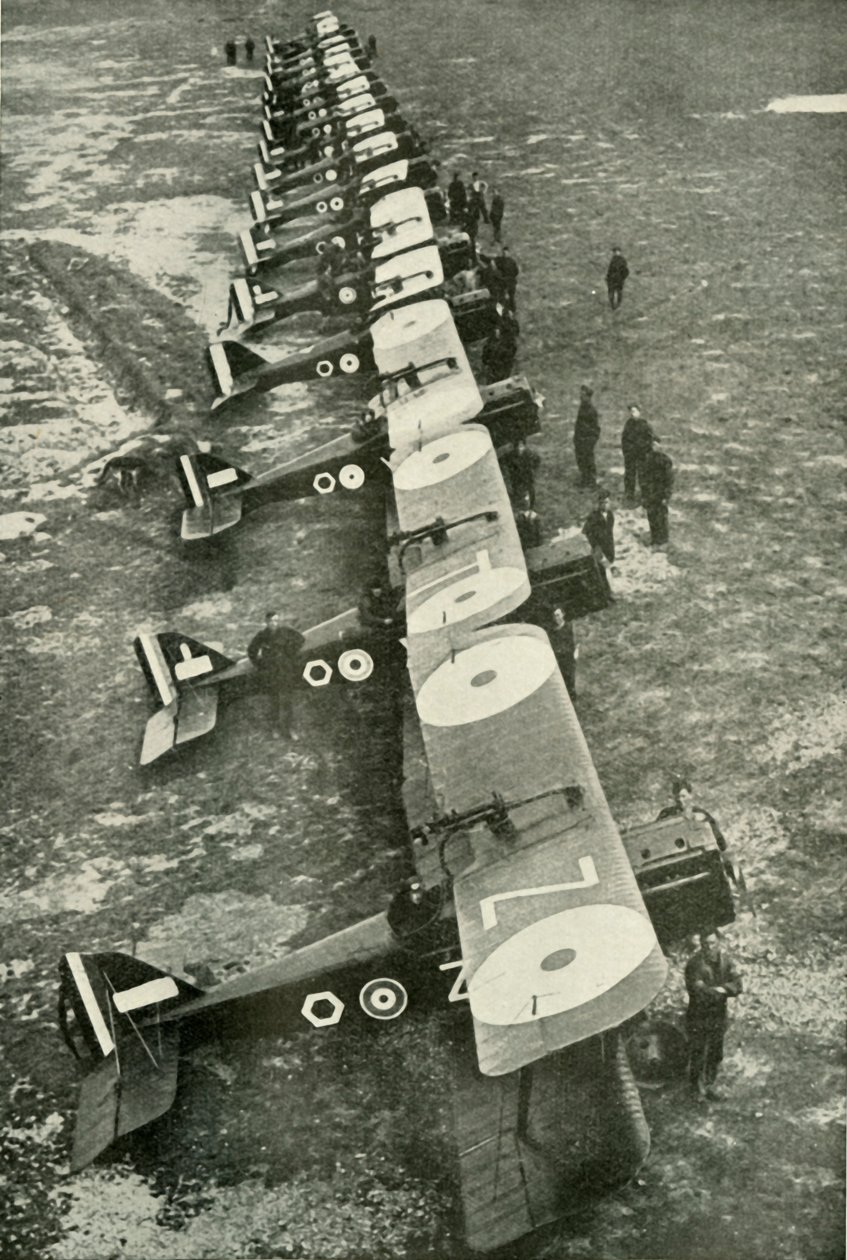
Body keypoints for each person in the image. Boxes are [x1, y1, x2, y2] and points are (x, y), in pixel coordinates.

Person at [684, 932, 743, 1101]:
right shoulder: (694, 964)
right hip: (698, 1015)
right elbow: (699, 990)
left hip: (718, 1015)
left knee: (716, 1052)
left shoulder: (726, 962)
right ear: (701, 945)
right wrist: (722, 990)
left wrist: (722, 989)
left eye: (712, 943)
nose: (709, 948)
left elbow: (738, 985)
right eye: (705, 944)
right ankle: (695, 1088)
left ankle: (710, 1085)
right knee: (698, 1051)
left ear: (719, 943)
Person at [247, 612, 305, 739]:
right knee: (274, 702)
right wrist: (260, 664)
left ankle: (290, 729)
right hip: (271, 672)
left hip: (285, 670)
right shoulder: (262, 635)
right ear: (266, 622)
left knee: (287, 701)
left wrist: (290, 653)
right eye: (271, 621)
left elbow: (300, 639)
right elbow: (251, 651)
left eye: (276, 621)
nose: (274, 623)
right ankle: (275, 729)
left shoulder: (285, 631)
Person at [640, 438, 674, 547]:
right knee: (652, 517)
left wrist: (666, 495)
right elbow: (643, 478)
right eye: (653, 445)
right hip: (650, 493)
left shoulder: (665, 460)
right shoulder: (646, 460)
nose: (655, 447)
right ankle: (655, 540)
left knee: (661, 517)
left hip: (660, 493)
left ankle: (663, 541)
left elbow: (669, 479)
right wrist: (644, 495)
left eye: (657, 445)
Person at [620, 404, 654, 504]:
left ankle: (645, 495)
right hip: (630, 454)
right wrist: (626, 451)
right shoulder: (628, 424)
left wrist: (646, 451)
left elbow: (650, 439)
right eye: (631, 411)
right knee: (629, 474)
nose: (632, 414)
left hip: (641, 454)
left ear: (639, 412)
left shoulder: (644, 425)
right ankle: (629, 494)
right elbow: (624, 438)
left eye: (634, 411)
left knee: (643, 475)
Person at [499, 437, 540, 507]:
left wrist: (533, 468)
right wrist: (508, 468)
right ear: (515, 447)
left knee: (530, 489)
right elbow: (501, 460)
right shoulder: (511, 454)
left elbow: (537, 460)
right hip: (516, 475)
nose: (520, 448)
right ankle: (518, 503)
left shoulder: (529, 453)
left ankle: (531, 505)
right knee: (516, 489)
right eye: (518, 445)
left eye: (521, 445)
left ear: (524, 445)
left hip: (527, 475)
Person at [574, 385, 601, 488]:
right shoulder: (582, 407)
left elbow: (595, 428)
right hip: (580, 438)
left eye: (583, 395)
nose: (580, 397)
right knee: (581, 459)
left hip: (587, 439)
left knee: (588, 459)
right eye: (581, 394)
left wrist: (591, 440)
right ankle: (585, 479)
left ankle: (592, 481)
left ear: (588, 397)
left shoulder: (591, 410)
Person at [549, 606, 577, 702]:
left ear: (563, 615)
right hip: (559, 658)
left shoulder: (568, 627)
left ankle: (573, 698)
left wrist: (574, 652)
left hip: (568, 657)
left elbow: (572, 642)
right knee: (562, 679)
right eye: (555, 616)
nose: (556, 618)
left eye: (558, 615)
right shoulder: (554, 631)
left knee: (570, 678)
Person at [582, 489, 616, 566]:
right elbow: (586, 532)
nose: (607, 505)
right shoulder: (593, 517)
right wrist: (595, 545)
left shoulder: (610, 515)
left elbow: (610, 531)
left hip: (608, 545)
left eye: (608, 502)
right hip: (598, 547)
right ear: (600, 504)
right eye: (604, 503)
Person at [498, 247, 520, 312]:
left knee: (504, 297)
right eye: (504, 253)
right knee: (510, 297)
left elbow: (516, 271)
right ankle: (512, 309)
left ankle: (505, 310)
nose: (504, 254)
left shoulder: (502, 261)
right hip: (511, 281)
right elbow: (516, 272)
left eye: (505, 253)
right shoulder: (512, 261)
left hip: (506, 282)